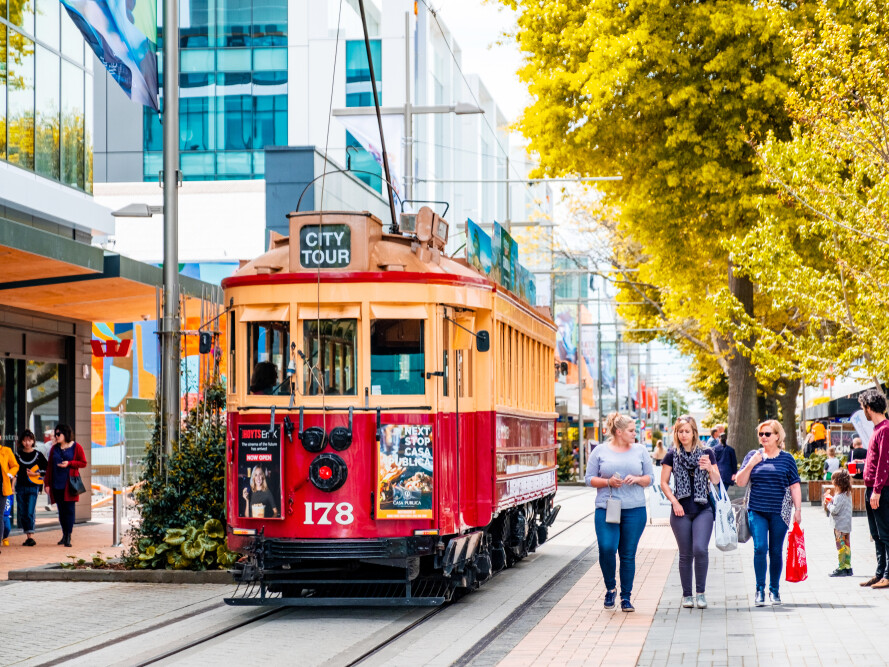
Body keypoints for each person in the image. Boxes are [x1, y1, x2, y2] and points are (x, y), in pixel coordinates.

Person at [585, 412, 654, 613]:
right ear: (619, 432)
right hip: (607, 509)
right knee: (607, 548)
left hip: (634, 510)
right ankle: (610, 588)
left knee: (627, 554)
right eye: (632, 431)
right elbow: (589, 479)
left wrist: (638, 479)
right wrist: (607, 482)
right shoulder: (600, 451)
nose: (635, 433)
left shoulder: (640, 451)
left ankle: (625, 597)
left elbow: (650, 478)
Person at [735, 419, 802, 607]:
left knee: (775, 551)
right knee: (760, 548)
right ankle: (759, 590)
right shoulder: (753, 455)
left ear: (777, 436)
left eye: (767, 434)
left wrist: (798, 509)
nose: (763, 437)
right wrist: (751, 464)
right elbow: (740, 482)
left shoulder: (787, 458)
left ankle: (774, 590)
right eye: (761, 434)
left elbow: (795, 485)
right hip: (756, 510)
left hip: (780, 512)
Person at [660, 415, 721, 609]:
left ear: (694, 432)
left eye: (687, 431)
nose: (683, 435)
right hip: (681, 511)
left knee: (700, 549)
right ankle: (687, 595)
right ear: (676, 433)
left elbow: (717, 481)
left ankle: (700, 593)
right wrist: (674, 502)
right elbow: (663, 482)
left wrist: (710, 468)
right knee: (685, 554)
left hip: (703, 509)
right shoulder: (672, 454)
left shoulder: (707, 452)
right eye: (680, 431)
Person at [859, 389, 889, 589]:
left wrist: (877, 490)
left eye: (863, 408)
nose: (863, 412)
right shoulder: (879, 430)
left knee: (885, 533)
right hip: (873, 489)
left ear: (869, 408)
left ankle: (887, 574)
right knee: (876, 533)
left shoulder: (885, 429)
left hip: (881, 490)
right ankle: (880, 573)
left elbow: (885, 463)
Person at [43, 424, 87, 547]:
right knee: (61, 511)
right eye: (55, 434)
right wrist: (47, 483)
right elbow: (50, 466)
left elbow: (83, 463)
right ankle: (64, 534)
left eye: (58, 434)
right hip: (57, 484)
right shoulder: (54, 448)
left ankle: (68, 535)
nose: (56, 436)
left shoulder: (76, 447)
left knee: (69, 510)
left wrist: (70, 463)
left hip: (70, 484)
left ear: (65, 434)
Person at [15, 430, 48, 546]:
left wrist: (35, 474)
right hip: (20, 487)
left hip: (33, 487)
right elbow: (15, 471)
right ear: (21, 441)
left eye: (29, 440)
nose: (27, 443)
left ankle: (30, 536)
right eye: (25, 440)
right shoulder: (18, 455)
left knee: (30, 511)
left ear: (33, 441)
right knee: (22, 512)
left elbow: (46, 469)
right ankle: (27, 534)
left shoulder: (38, 455)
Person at [823, 468, 853, 577]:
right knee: (847, 545)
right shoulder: (847, 494)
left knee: (840, 546)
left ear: (837, 482)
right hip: (847, 524)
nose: (832, 482)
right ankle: (848, 567)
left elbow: (835, 510)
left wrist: (828, 504)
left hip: (839, 526)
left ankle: (841, 567)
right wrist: (832, 500)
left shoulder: (839, 497)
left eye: (833, 480)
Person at [0, 443, 19, 549]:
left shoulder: (6, 450)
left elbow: (15, 466)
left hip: (2, 488)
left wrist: (9, 475)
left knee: (0, 516)